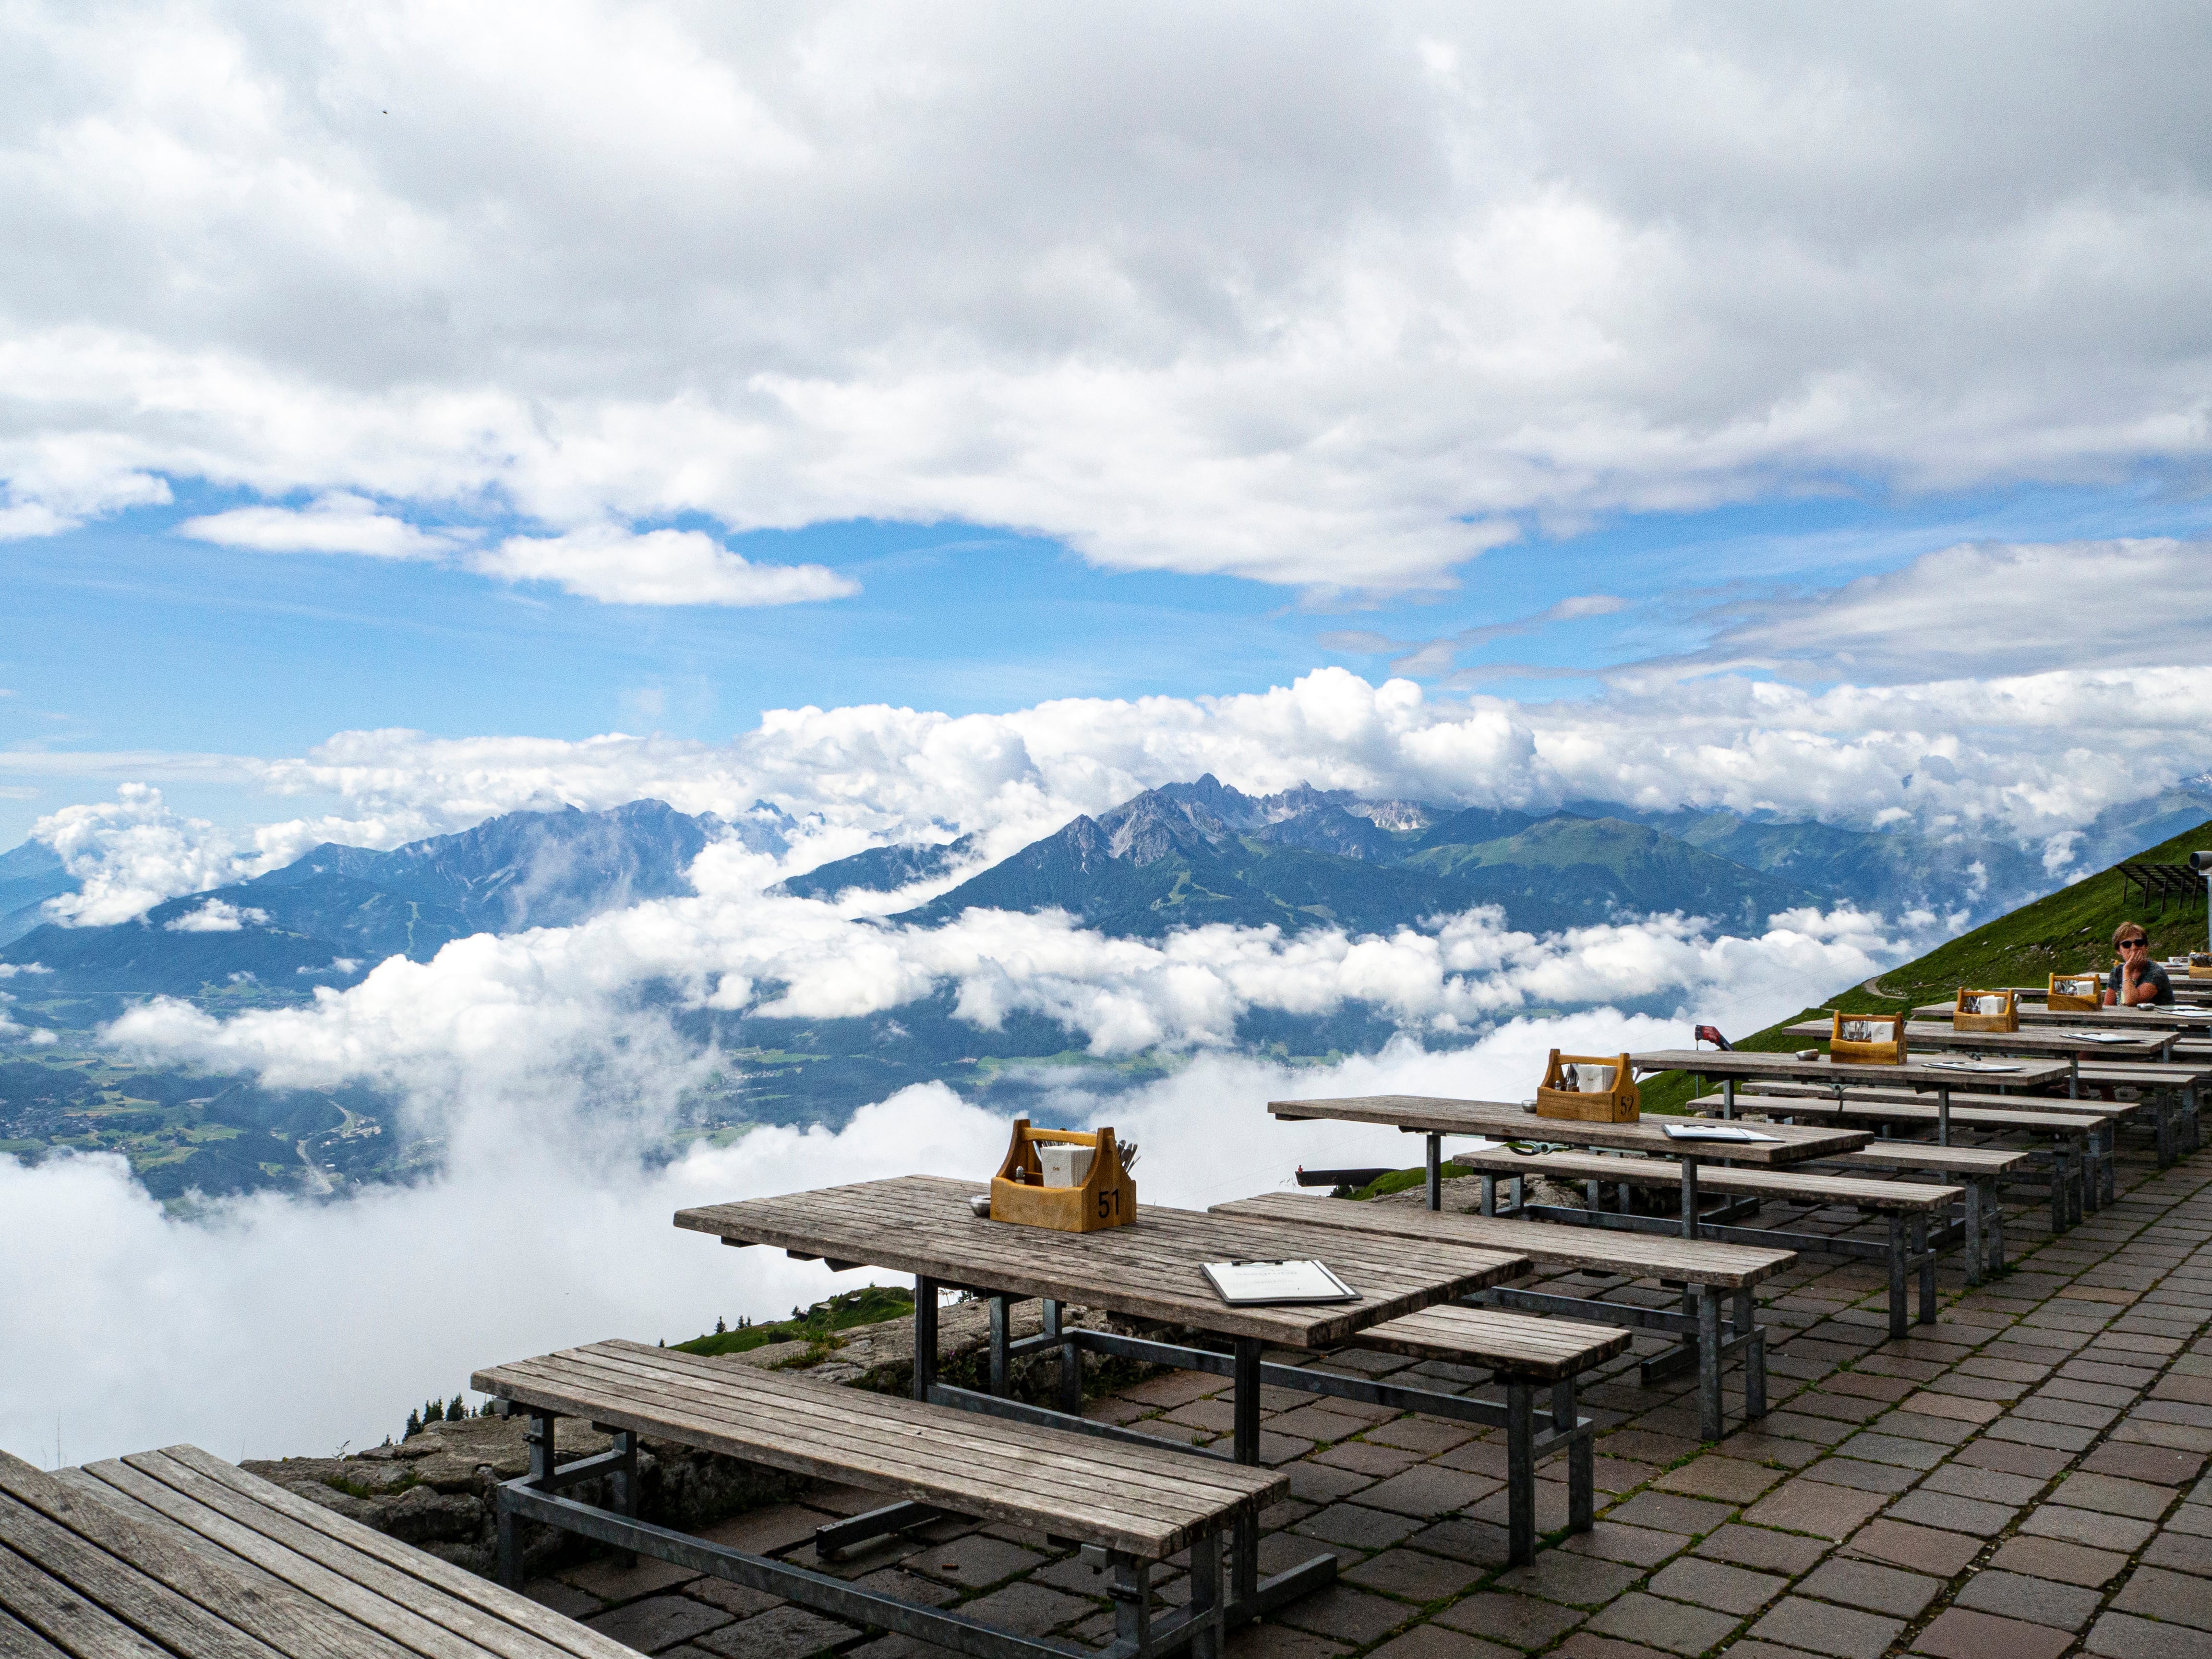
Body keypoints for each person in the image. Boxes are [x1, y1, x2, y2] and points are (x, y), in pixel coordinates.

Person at [2108, 923, 2176, 1007]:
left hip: (2156, 1019)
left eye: (2139, 943)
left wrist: (2127, 970)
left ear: (2146, 947)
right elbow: (2108, 1005)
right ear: (2118, 950)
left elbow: (2132, 1002)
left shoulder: (2156, 972)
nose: (2134, 947)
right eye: (2127, 944)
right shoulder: (2117, 971)